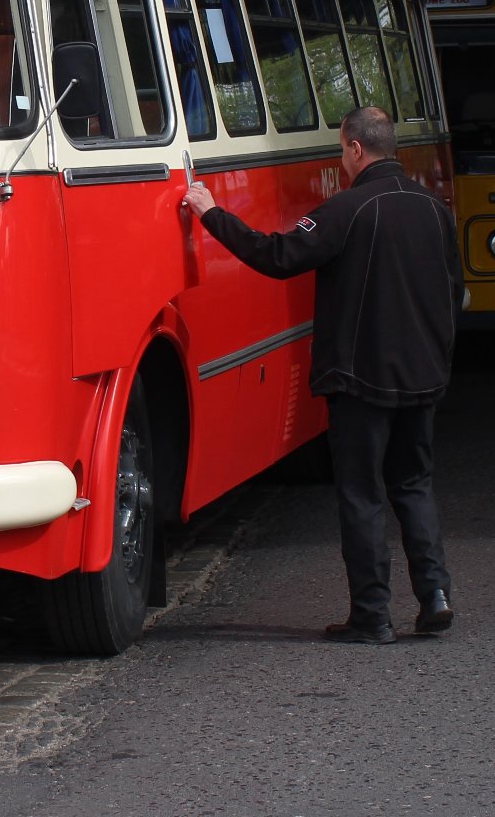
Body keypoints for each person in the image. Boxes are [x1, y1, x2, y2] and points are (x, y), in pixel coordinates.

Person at [181, 107, 460, 645]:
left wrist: (212, 213)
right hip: (423, 376)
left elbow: (278, 256)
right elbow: (452, 293)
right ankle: (436, 595)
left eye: (341, 150)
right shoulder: (434, 209)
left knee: (361, 495)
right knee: (414, 484)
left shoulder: (348, 209)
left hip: (360, 379)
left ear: (355, 148)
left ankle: (372, 615)